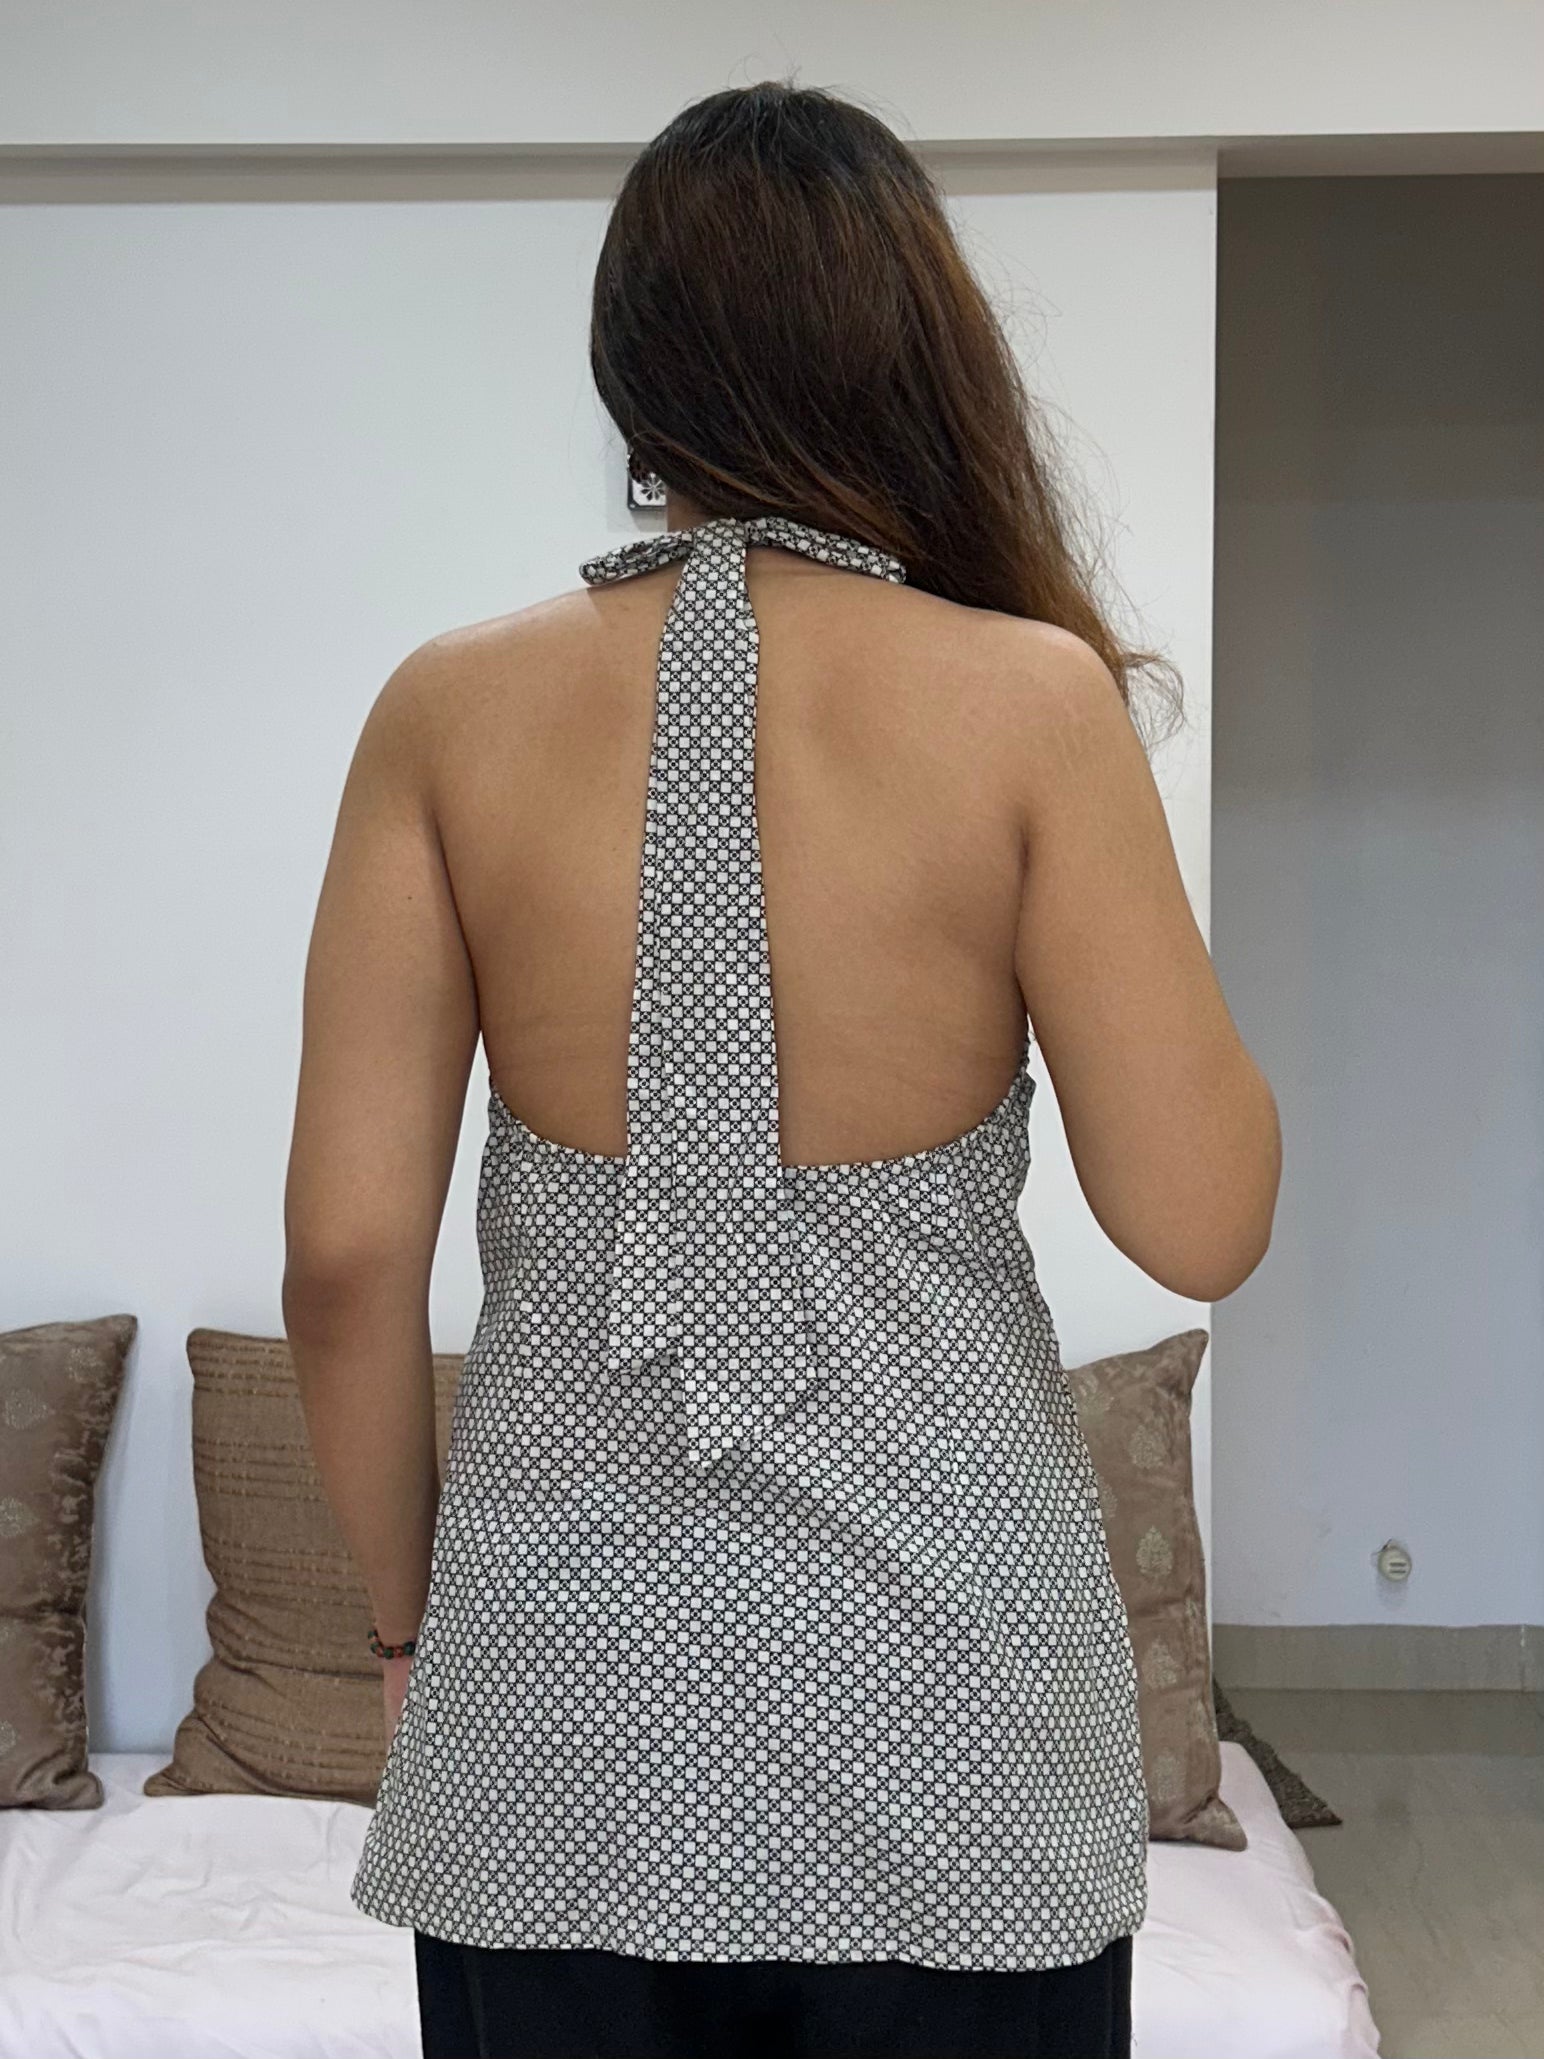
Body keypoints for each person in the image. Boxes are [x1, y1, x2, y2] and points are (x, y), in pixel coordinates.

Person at [282, 78, 1281, 2059]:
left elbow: (342, 1256)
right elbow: (1205, 1221)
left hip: (553, 1723)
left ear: (631, 362)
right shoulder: (1029, 706)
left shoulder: (444, 713)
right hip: (957, 1720)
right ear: (920, 357)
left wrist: (405, 1631)